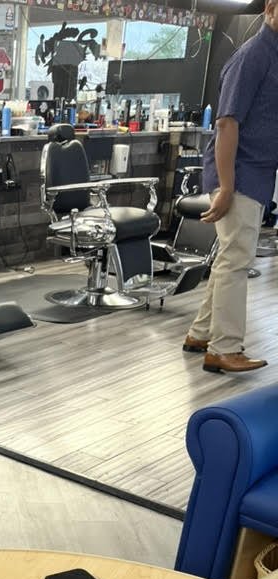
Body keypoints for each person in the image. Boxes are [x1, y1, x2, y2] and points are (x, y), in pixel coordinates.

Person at [182, 1, 278, 374]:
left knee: (229, 258)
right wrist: (225, 187)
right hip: (239, 175)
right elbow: (226, 124)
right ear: (270, 8)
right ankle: (224, 348)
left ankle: (201, 334)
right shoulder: (253, 56)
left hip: (256, 174)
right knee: (236, 261)